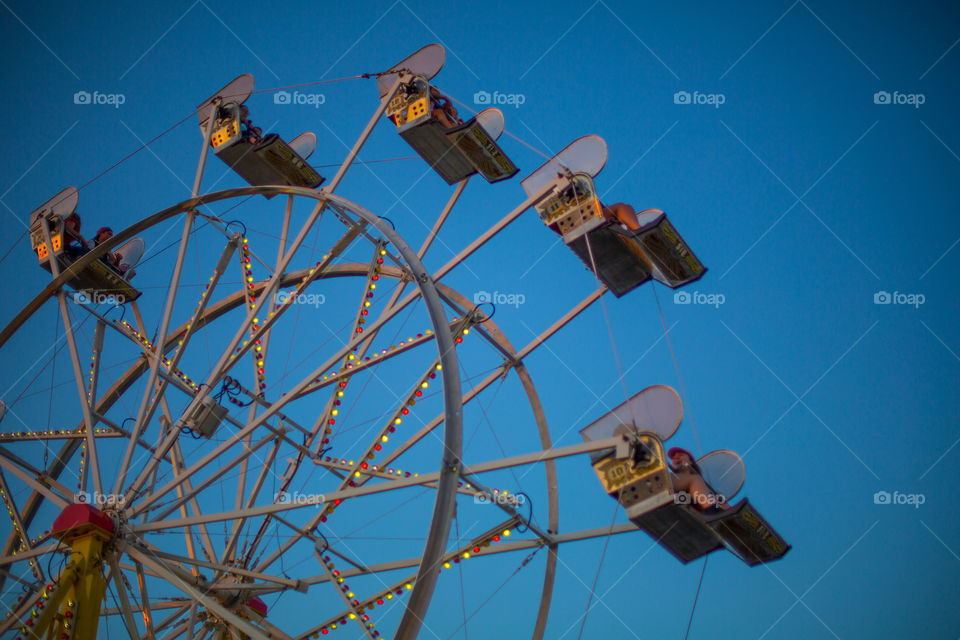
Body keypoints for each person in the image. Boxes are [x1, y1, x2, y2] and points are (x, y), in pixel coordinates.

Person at [668, 447, 730, 514]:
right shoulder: (670, 478)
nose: (676, 458)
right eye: (673, 458)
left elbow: (727, 508)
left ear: (690, 462)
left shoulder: (700, 483)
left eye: (680, 455)